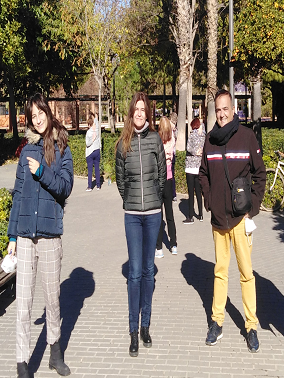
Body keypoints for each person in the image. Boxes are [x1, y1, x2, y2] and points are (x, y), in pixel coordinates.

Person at [7, 93, 74, 378]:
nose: (37, 119)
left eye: (40, 113)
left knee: (52, 299)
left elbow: (65, 187)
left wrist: (42, 172)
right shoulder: (25, 151)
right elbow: (18, 195)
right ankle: (22, 363)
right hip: (24, 237)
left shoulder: (62, 147)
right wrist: (11, 237)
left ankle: (54, 352)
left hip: (49, 236)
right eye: (32, 116)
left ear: (48, 112)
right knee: (22, 304)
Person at [199, 89, 266, 352]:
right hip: (218, 221)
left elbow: (260, 174)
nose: (222, 113)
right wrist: (209, 200)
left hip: (241, 220)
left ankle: (251, 325)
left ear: (234, 108)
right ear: (214, 111)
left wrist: (253, 208)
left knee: (246, 274)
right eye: (218, 109)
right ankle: (217, 322)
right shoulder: (210, 140)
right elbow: (203, 173)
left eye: (226, 108)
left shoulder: (247, 137)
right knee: (220, 272)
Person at [115, 92, 166, 358]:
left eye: (143, 109)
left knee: (148, 271)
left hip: (154, 213)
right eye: (135, 109)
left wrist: (155, 198)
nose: (139, 113)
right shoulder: (122, 143)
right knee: (134, 273)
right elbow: (120, 180)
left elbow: (161, 173)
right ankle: (133, 331)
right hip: (132, 215)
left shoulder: (155, 139)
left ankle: (146, 325)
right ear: (130, 112)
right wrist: (131, 200)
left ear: (148, 113)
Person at [155, 116, 177, 258]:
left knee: (158, 215)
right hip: (169, 179)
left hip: (158, 180)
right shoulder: (172, 140)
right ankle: (173, 244)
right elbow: (173, 156)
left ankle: (159, 248)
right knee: (170, 214)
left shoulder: (157, 141)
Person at [183, 117, 205, 224]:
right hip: (199, 166)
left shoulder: (192, 135)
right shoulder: (203, 135)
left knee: (191, 193)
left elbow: (188, 148)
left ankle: (191, 216)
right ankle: (200, 214)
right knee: (199, 192)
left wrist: (195, 152)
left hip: (191, 167)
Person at [85, 113, 101, 191]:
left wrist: (92, 139)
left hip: (90, 152)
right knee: (97, 169)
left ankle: (90, 186)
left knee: (90, 170)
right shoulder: (97, 129)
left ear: (89, 124)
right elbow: (96, 121)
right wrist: (95, 116)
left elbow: (87, 144)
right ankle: (98, 186)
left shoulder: (88, 132)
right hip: (97, 150)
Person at [169, 112, 178, 201]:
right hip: (171, 153)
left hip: (171, 153)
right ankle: (172, 193)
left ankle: (172, 193)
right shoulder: (172, 130)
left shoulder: (173, 130)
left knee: (170, 174)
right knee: (170, 174)